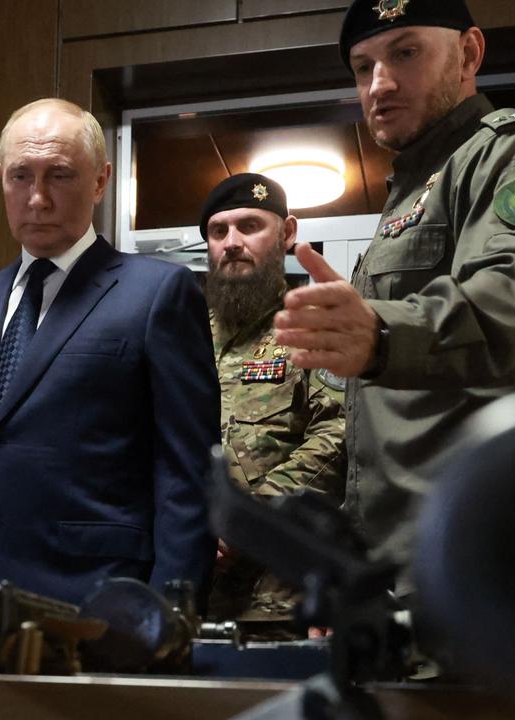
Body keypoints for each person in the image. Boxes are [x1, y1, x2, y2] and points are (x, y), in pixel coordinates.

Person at [273, 0, 515, 591]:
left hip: (494, 565)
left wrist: (381, 333)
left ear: (469, 53)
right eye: (362, 67)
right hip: (406, 566)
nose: (378, 84)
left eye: (404, 53)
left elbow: (514, 305)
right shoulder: (409, 192)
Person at [0, 98, 218, 605]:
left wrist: (166, 620)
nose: (37, 198)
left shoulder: (157, 294)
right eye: (20, 176)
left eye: (59, 175)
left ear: (100, 181)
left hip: (96, 604)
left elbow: (188, 480)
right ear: (0, 178)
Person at [199, 173, 346, 625]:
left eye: (249, 226)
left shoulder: (314, 324)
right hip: (189, 583)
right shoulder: (184, 332)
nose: (232, 243)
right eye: (219, 231)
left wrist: (246, 519)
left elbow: (339, 434)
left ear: (287, 234)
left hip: (279, 593)